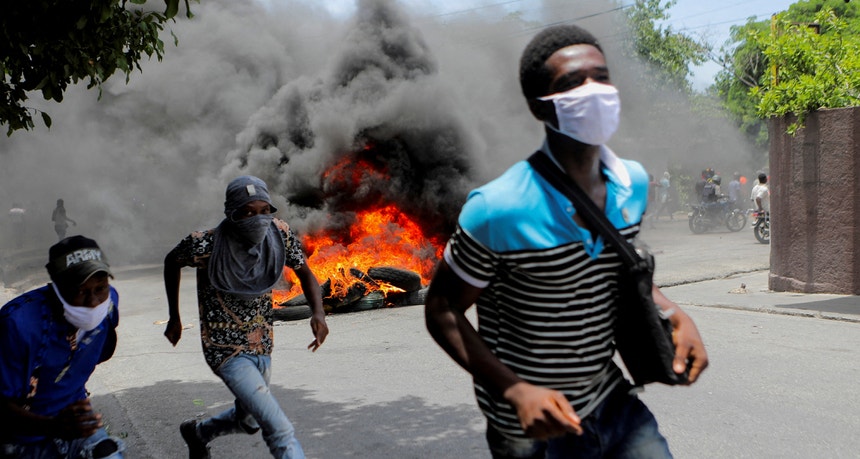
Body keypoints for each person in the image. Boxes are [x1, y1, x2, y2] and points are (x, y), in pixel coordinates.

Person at [424, 24, 708, 459]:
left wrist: (675, 312)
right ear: (542, 107)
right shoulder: (498, 208)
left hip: (610, 401)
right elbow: (442, 309)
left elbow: (620, 268)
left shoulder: (632, 183)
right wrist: (515, 391)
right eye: (573, 83)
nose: (594, 91)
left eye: (601, 76)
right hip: (532, 430)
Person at [163, 175, 328, 459]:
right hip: (225, 351)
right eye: (248, 212)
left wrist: (319, 314)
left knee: (249, 420)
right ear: (232, 214)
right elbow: (171, 261)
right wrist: (174, 317)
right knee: (280, 429)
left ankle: (198, 433)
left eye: (265, 211)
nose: (259, 219)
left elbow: (305, 273)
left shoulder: (279, 235)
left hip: (262, 346)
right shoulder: (207, 245)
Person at [0, 236, 124, 458]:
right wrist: (54, 427)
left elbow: (103, 347)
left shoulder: (110, 303)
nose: (94, 302)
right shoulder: (18, 325)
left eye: (100, 287)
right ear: (57, 287)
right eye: (80, 291)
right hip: (21, 437)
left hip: (75, 424)